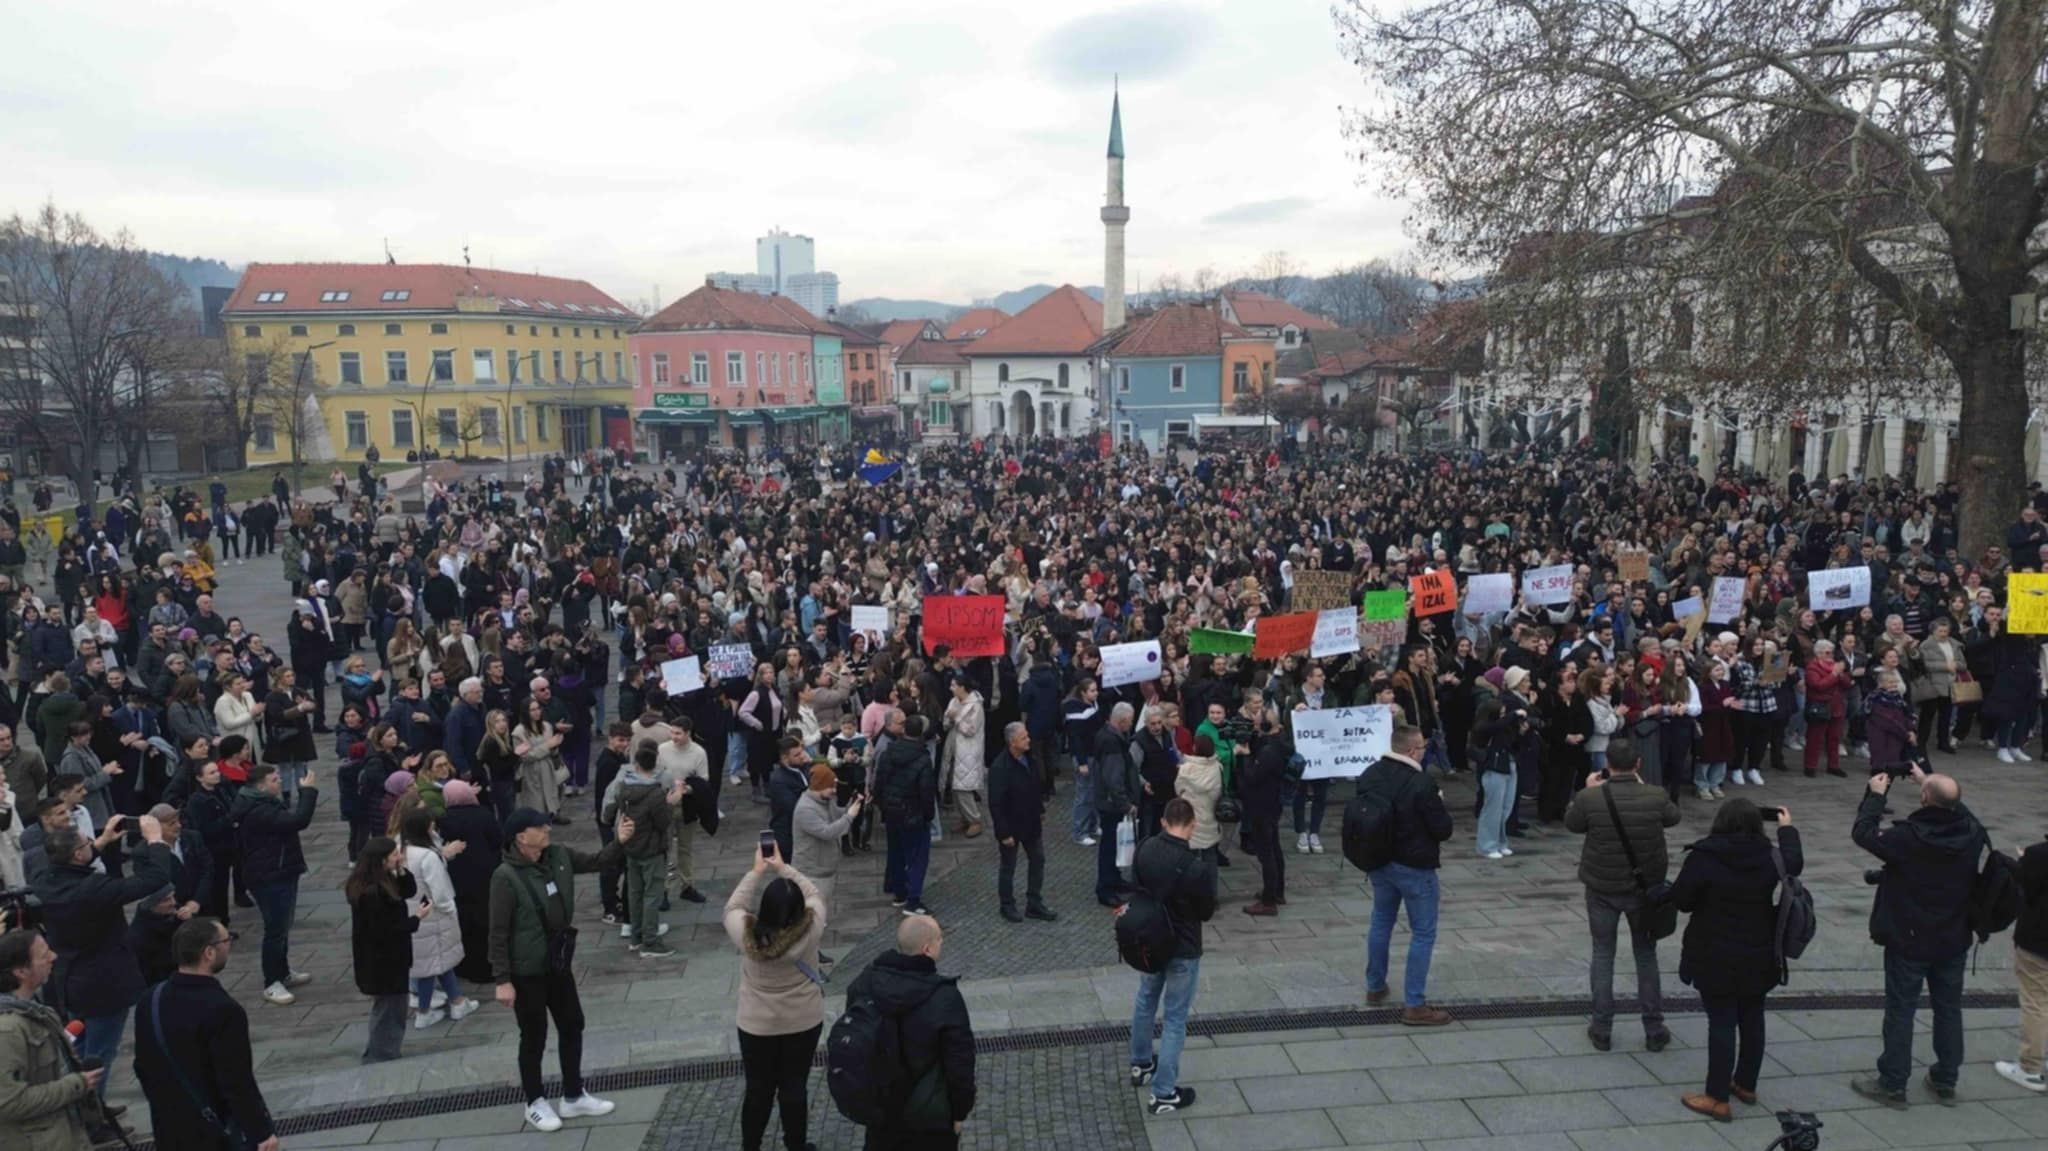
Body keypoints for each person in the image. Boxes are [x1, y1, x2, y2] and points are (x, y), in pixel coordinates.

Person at [1851, 766, 1986, 1108]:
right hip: (1953, 936)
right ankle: (1945, 1079)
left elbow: (1864, 834)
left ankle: (1893, 1083)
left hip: (1909, 937)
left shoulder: (1908, 837)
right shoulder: (1970, 833)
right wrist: (1931, 781)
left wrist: (1875, 797)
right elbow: (1966, 813)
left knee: (1901, 1010)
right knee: (1949, 1009)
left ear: (1924, 798)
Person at [488, 807, 628, 1132]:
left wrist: (619, 841)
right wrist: (502, 980)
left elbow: (597, 861)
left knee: (572, 1023)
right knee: (534, 1035)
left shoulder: (559, 855)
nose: (547, 829)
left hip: (557, 963)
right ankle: (534, 1101)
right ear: (522, 836)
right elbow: (497, 932)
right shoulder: (505, 877)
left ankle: (573, 1094)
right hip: (526, 972)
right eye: (540, 826)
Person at [31, 816, 177, 1111]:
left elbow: (69, 865)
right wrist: (155, 840)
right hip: (104, 984)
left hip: (70, 979)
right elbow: (154, 880)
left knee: (79, 1047)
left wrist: (101, 841)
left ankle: (80, 1103)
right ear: (77, 854)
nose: (90, 846)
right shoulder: (93, 888)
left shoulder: (45, 882)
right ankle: (92, 1114)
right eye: (86, 844)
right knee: (100, 1053)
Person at [1669, 798, 1803, 1121]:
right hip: (1759, 953)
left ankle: (1716, 1096)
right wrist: (1787, 830)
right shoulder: (1771, 856)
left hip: (1714, 953)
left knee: (1722, 1021)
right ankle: (1745, 1083)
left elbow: (1682, 900)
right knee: (1753, 1016)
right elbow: (1795, 864)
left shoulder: (1705, 856)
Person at [1565, 739, 1679, 1050]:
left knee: (1603, 954)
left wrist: (1584, 790)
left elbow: (1573, 824)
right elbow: (1673, 817)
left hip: (1602, 888)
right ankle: (1654, 1028)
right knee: (1646, 954)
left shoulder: (1591, 797)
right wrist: (1642, 785)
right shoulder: (1655, 795)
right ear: (1638, 765)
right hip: (1644, 891)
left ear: (1607, 764)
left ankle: (1601, 1028)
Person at [131, 917, 275, 1151]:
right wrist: (261, 1131)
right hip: (214, 1133)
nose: (229, 945)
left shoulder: (151, 999)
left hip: (169, 1129)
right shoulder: (223, 1009)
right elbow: (236, 1082)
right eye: (225, 940)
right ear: (208, 952)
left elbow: (143, 1067)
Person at [724, 841, 827, 1151]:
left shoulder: (745, 934)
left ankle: (751, 1146)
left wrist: (757, 871)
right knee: (794, 1087)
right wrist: (783, 867)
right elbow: (814, 894)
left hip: (757, 1024)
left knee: (758, 1089)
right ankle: (796, 1145)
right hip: (803, 1020)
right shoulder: (812, 928)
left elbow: (733, 907)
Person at [844, 915, 976, 1150]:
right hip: (930, 1118)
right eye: (939, 940)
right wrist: (960, 1112)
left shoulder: (864, 985)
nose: (941, 944)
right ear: (927, 949)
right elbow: (960, 1065)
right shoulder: (945, 998)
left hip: (882, 1113)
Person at [1354, 723, 1456, 1026]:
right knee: (1423, 932)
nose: (1424, 751)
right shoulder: (1421, 783)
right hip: (1414, 867)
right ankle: (1415, 1004)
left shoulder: (1370, 774)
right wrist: (1438, 800)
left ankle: (1375, 985)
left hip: (1379, 862)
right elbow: (1443, 829)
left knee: (1381, 920)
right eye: (1422, 746)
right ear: (1412, 750)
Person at [1125, 797, 1216, 1116]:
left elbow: (1134, 886)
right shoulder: (1197, 867)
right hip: (1183, 947)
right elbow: (1206, 912)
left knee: (1145, 999)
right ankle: (1164, 1092)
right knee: (1175, 1018)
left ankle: (1140, 1063)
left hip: (1150, 941)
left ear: (1164, 821)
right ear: (1191, 826)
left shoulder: (1146, 848)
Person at [0, 928, 104, 1151]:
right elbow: (8, 1102)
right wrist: (77, 1084)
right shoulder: (7, 1030)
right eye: (44, 954)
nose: (54, 957)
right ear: (21, 971)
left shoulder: (38, 1012)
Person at [228, 763, 318, 1005]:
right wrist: (308, 791)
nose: (279, 782)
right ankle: (271, 982)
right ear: (261, 785)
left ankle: (283, 972)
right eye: (275, 779)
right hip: (269, 874)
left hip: (281, 869)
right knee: (275, 929)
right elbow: (298, 820)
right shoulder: (258, 809)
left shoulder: (262, 803)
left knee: (283, 926)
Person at [347, 835, 429, 1062]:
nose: (399, 857)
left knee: (389, 1009)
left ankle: (381, 1051)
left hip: (386, 961)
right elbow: (388, 929)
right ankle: (382, 1055)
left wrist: (401, 869)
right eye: (394, 855)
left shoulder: (378, 881)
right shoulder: (373, 893)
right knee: (389, 1011)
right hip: (384, 962)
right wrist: (417, 918)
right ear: (381, 860)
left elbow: (408, 891)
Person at [600, 745, 685, 958]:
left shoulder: (623, 788)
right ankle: (651, 941)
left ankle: (636, 937)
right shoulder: (655, 794)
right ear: (655, 764)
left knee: (634, 893)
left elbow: (611, 810)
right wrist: (672, 802)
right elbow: (663, 822)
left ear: (636, 764)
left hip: (630, 847)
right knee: (652, 895)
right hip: (652, 849)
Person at [399, 809, 478, 1026]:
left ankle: (457, 1000)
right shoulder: (428, 856)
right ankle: (424, 1013)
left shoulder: (400, 850)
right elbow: (440, 891)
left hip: (412, 913)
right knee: (431, 966)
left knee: (438, 961)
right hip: (434, 917)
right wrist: (450, 910)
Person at [987, 722, 1056, 924]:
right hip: (1011, 825)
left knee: (1038, 860)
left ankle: (1034, 903)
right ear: (1012, 742)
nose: (1028, 740)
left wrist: (1040, 810)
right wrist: (1003, 833)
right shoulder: (1000, 767)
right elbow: (996, 803)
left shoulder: (1029, 759)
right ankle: (1007, 905)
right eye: (1024, 737)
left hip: (1031, 822)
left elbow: (1035, 787)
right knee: (1008, 866)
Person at [1997, 830, 2048, 1092]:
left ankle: (2030, 1067)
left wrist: (2023, 863)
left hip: (2039, 940)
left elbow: (2027, 889)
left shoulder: (2039, 854)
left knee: (2036, 1002)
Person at [437, 779, 502, 984]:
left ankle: (467, 965)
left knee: (465, 920)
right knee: (486, 918)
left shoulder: (444, 819)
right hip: (485, 874)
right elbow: (497, 841)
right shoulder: (483, 814)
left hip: (458, 876)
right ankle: (489, 965)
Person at [874, 711, 936, 918]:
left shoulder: (888, 753)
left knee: (896, 853)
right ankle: (913, 900)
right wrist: (928, 815)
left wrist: (883, 806)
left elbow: (879, 783)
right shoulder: (923, 758)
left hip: (892, 812)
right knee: (917, 857)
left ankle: (899, 893)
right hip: (914, 814)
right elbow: (926, 792)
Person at [791, 764, 860, 950]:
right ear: (819, 786)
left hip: (825, 868)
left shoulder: (824, 799)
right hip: (812, 872)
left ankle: (814, 954)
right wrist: (850, 817)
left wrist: (850, 807)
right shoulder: (805, 809)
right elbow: (828, 832)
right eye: (831, 786)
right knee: (810, 920)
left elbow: (836, 815)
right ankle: (808, 956)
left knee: (818, 918)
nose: (834, 790)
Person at [1093, 701, 1141, 907]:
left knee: (1113, 844)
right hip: (1112, 804)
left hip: (1109, 801)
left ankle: (1114, 879)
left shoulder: (1108, 736)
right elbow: (1114, 777)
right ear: (1121, 721)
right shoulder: (1112, 742)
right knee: (1110, 846)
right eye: (1129, 722)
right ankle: (1106, 888)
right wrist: (1125, 803)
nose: (1130, 725)